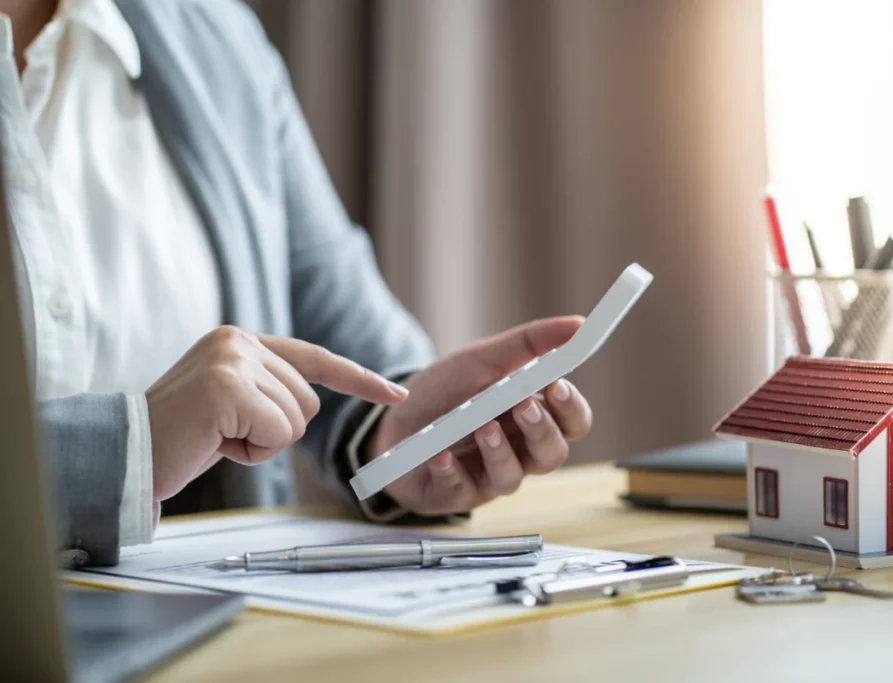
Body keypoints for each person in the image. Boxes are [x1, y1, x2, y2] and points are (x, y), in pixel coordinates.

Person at [4, 0, 593, 567]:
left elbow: (339, 329)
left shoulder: (214, 39)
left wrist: (402, 434)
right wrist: (129, 450)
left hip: (217, 639)